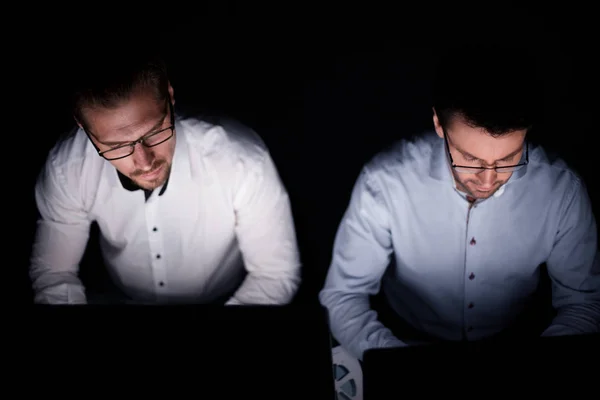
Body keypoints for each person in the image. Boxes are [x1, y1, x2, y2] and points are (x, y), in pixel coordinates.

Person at [319, 43, 600, 360]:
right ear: (439, 124)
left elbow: (584, 303)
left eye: (509, 158)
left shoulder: (563, 190)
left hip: (518, 342)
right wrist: (397, 363)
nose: (488, 179)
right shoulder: (383, 182)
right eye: (471, 159)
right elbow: (343, 296)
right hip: (406, 339)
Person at [29, 45, 301, 305]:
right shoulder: (67, 168)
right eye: (116, 147)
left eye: (154, 132)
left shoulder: (242, 159)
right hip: (120, 300)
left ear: (169, 95)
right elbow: (56, 275)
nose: (144, 162)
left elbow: (274, 274)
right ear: (82, 126)